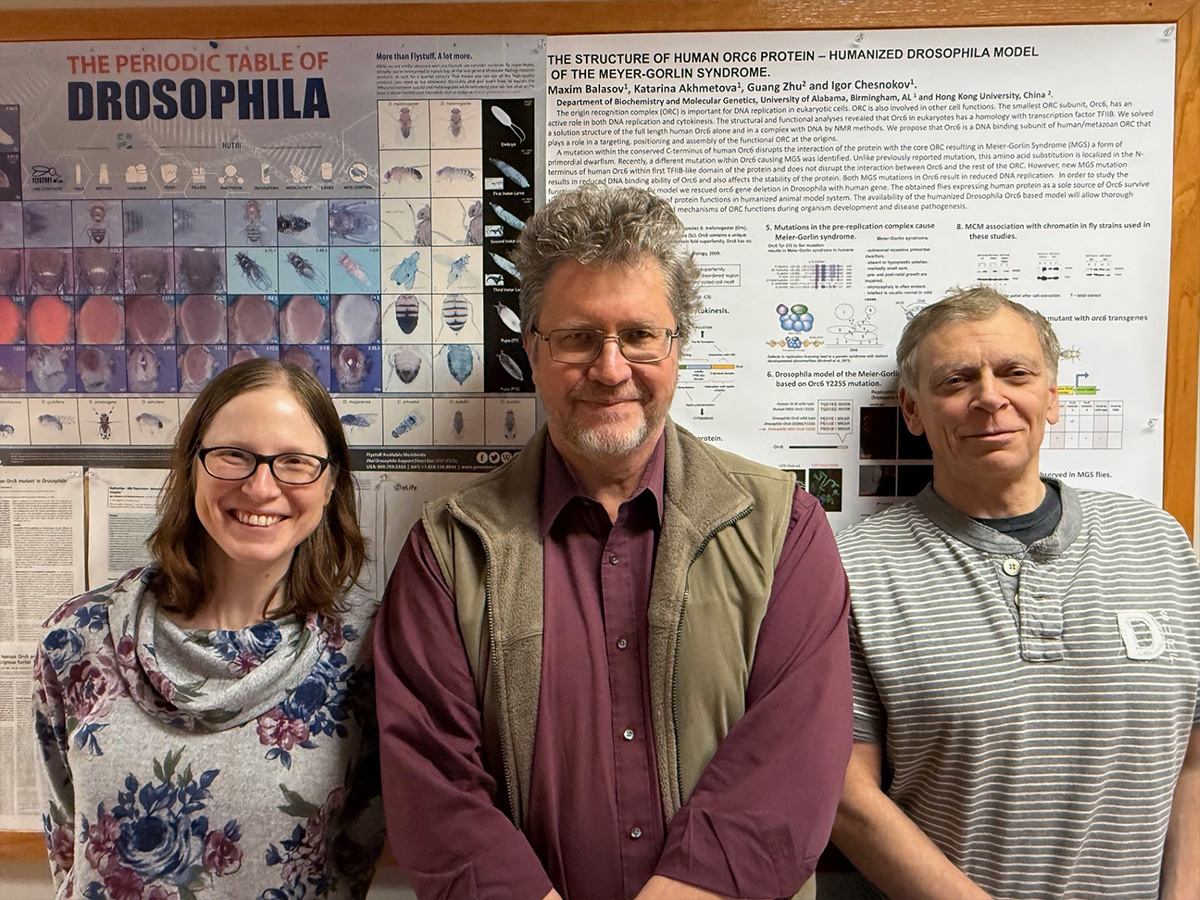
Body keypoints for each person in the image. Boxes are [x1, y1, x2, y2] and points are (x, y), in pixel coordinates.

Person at [375, 184, 852, 900]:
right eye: (576, 337)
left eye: (638, 334)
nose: (609, 367)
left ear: (676, 348)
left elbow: (789, 771)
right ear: (532, 351)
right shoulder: (449, 551)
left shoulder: (783, 528)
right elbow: (435, 794)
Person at [831, 286, 1200, 899]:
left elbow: (1192, 757)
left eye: (1015, 373)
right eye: (955, 382)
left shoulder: (1159, 540)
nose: (990, 397)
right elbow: (847, 795)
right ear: (912, 410)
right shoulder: (856, 567)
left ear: (1051, 397)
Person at [33, 358, 385, 900]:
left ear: (332, 482)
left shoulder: (371, 654)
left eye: (294, 462)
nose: (261, 486)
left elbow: (360, 851)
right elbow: (66, 849)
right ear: (192, 465)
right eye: (233, 456)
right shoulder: (75, 640)